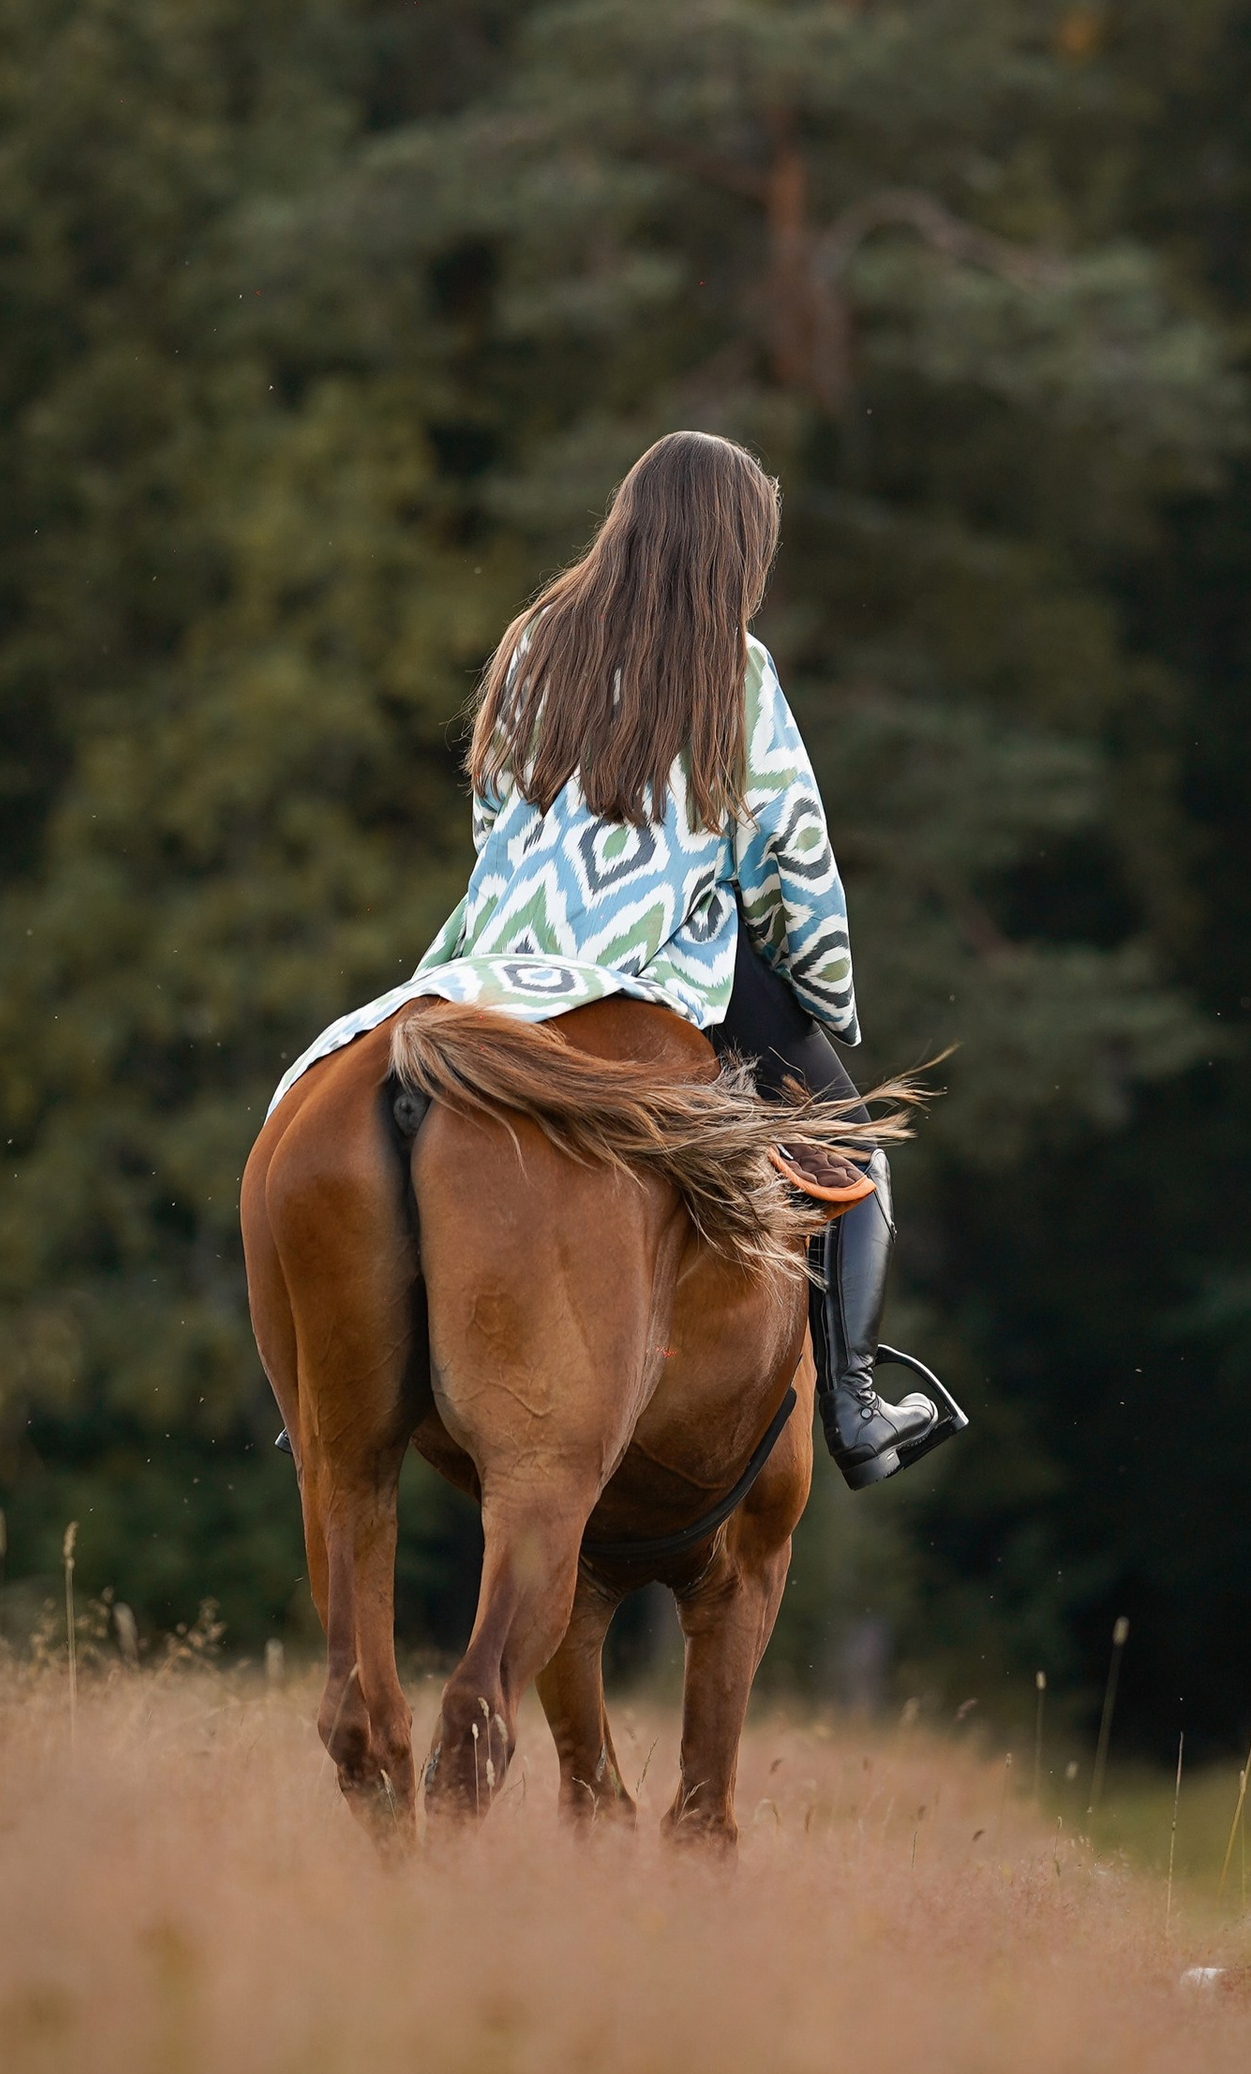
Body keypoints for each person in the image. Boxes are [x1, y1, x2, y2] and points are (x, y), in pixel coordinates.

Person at [271, 430, 964, 1489]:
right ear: (732, 546)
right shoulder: (733, 668)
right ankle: (860, 1410)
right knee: (855, 1162)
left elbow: (492, 806)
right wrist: (818, 985)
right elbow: (788, 858)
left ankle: (332, 1367)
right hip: (660, 957)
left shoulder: (531, 638)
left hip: (493, 956)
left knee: (328, 1096)